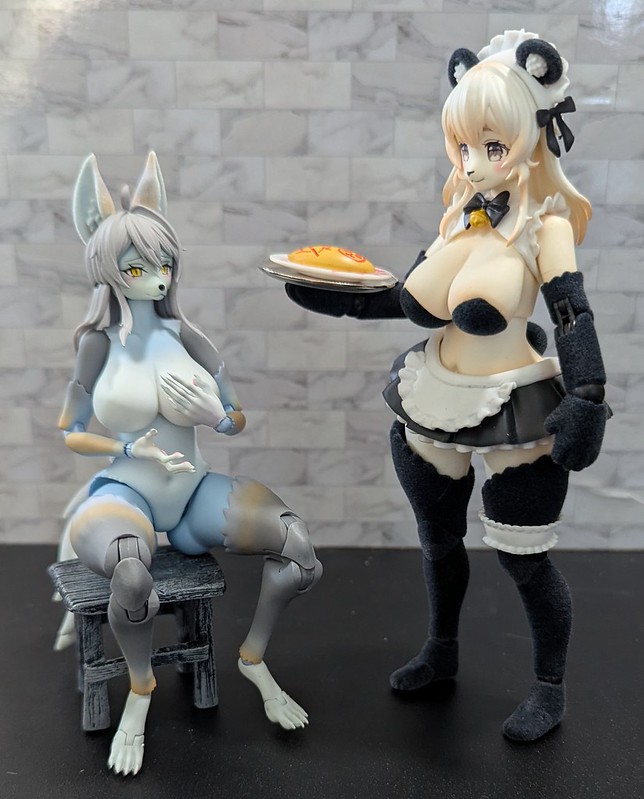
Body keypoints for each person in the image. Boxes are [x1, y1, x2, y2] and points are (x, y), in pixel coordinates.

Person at [286, 30, 608, 742]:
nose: (474, 162)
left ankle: (549, 686)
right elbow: (406, 296)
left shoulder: (546, 227)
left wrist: (588, 395)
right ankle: (442, 649)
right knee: (438, 542)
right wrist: (341, 296)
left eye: (492, 146)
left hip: (516, 407)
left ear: (531, 137)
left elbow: (572, 315)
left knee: (524, 559)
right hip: (435, 397)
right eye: (463, 146)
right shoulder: (458, 217)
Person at [58, 152, 322, 775]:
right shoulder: (96, 345)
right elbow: (71, 433)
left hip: (193, 490)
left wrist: (216, 415)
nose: (156, 278)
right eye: (137, 266)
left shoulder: (187, 337)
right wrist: (128, 449)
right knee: (130, 577)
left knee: (299, 549)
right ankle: (141, 689)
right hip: (126, 492)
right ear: (109, 272)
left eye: (164, 264)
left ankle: (253, 659)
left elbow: (235, 417)